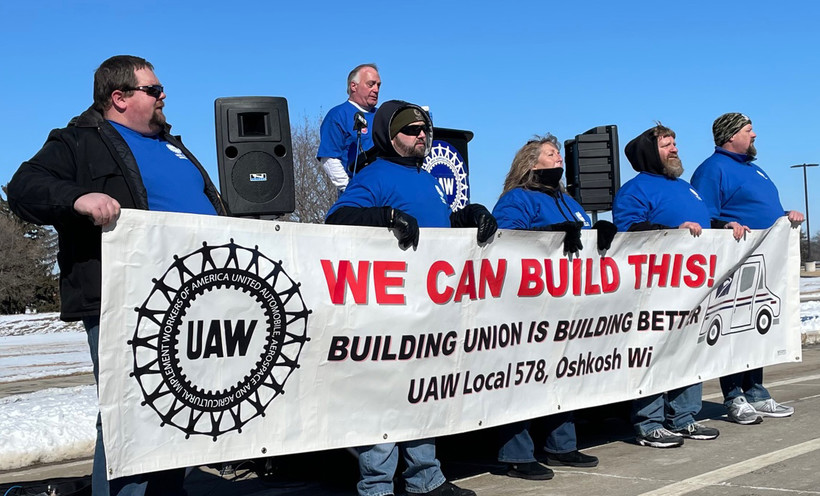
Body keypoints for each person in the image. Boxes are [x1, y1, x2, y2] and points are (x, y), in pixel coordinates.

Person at [7, 55, 225, 496]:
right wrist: (76, 198)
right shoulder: (78, 141)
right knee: (132, 412)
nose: (164, 97)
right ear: (120, 98)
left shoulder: (175, 146)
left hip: (196, 299)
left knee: (181, 411)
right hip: (126, 300)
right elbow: (24, 187)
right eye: (154, 90)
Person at [326, 99, 496, 496]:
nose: (421, 135)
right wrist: (384, 217)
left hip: (428, 309)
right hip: (389, 312)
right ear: (389, 135)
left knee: (422, 393)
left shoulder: (425, 178)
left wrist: (466, 216)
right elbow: (338, 219)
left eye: (424, 130)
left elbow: (434, 231)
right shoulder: (374, 175)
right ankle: (378, 485)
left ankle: (425, 478)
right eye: (410, 130)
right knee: (385, 398)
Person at [491, 134, 611, 479]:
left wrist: (599, 232)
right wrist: (550, 232)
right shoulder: (517, 199)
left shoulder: (567, 200)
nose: (559, 157)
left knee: (563, 372)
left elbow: (581, 236)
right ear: (531, 163)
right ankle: (516, 453)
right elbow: (505, 241)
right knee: (519, 377)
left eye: (558, 152)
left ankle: (561, 445)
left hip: (567, 307)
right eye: (550, 153)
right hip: (526, 308)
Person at [613, 124, 733, 448]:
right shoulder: (635, 189)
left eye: (675, 143)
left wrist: (727, 225)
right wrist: (672, 231)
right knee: (653, 353)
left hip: (692, 290)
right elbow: (629, 231)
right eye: (667, 145)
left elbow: (706, 220)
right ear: (650, 153)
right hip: (653, 290)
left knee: (687, 353)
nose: (675, 149)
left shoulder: (687, 188)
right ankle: (649, 423)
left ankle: (683, 417)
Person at [691, 112, 804, 424]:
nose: (754, 135)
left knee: (757, 330)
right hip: (735, 268)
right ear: (731, 136)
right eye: (749, 130)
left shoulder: (756, 170)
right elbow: (704, 214)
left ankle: (756, 391)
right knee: (733, 331)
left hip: (762, 265)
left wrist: (784, 215)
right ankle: (734, 396)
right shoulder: (712, 170)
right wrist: (725, 224)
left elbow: (759, 211)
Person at [317, 63, 381, 193]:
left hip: (385, 192)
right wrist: (351, 190)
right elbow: (329, 158)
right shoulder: (338, 115)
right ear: (353, 86)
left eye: (378, 85)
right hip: (359, 196)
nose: (376, 89)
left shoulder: (383, 116)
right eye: (371, 84)